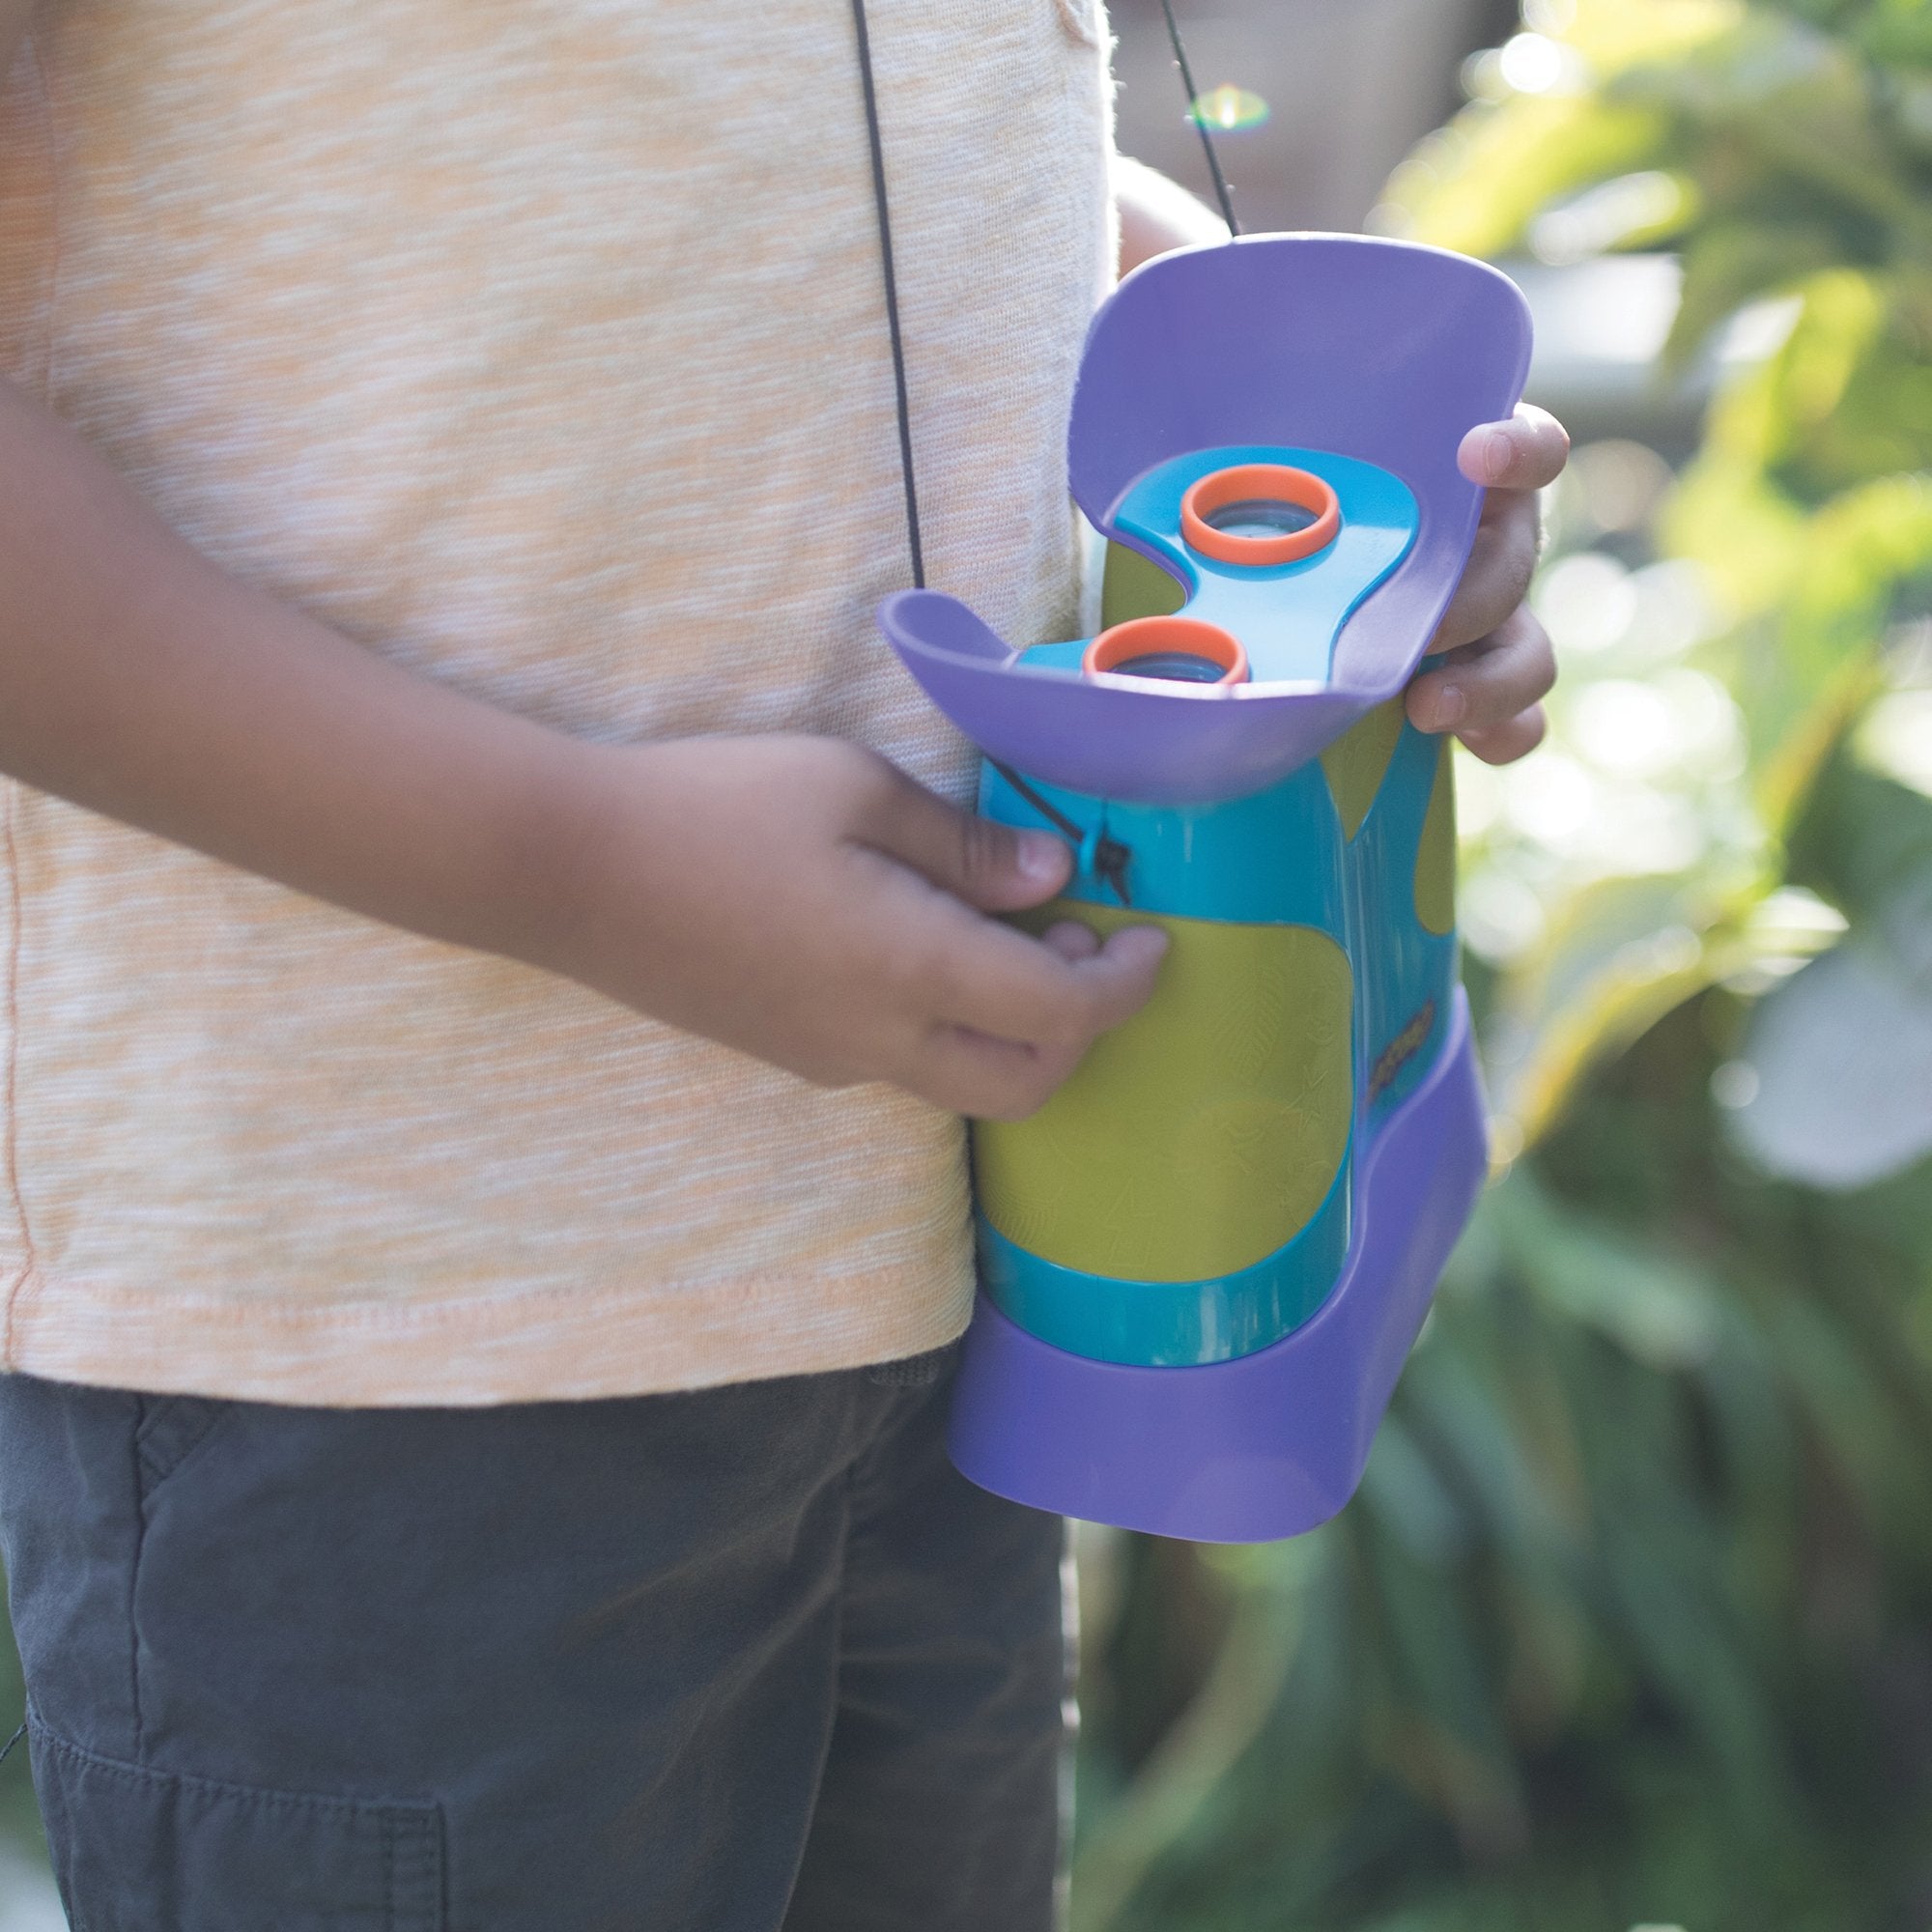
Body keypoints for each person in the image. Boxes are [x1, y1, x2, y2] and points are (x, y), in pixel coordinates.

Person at [0, 3, 1565, 1926]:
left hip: (945, 1264)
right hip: (402, 1344)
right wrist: (572, 860)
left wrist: (1320, 445)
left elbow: (851, 130)